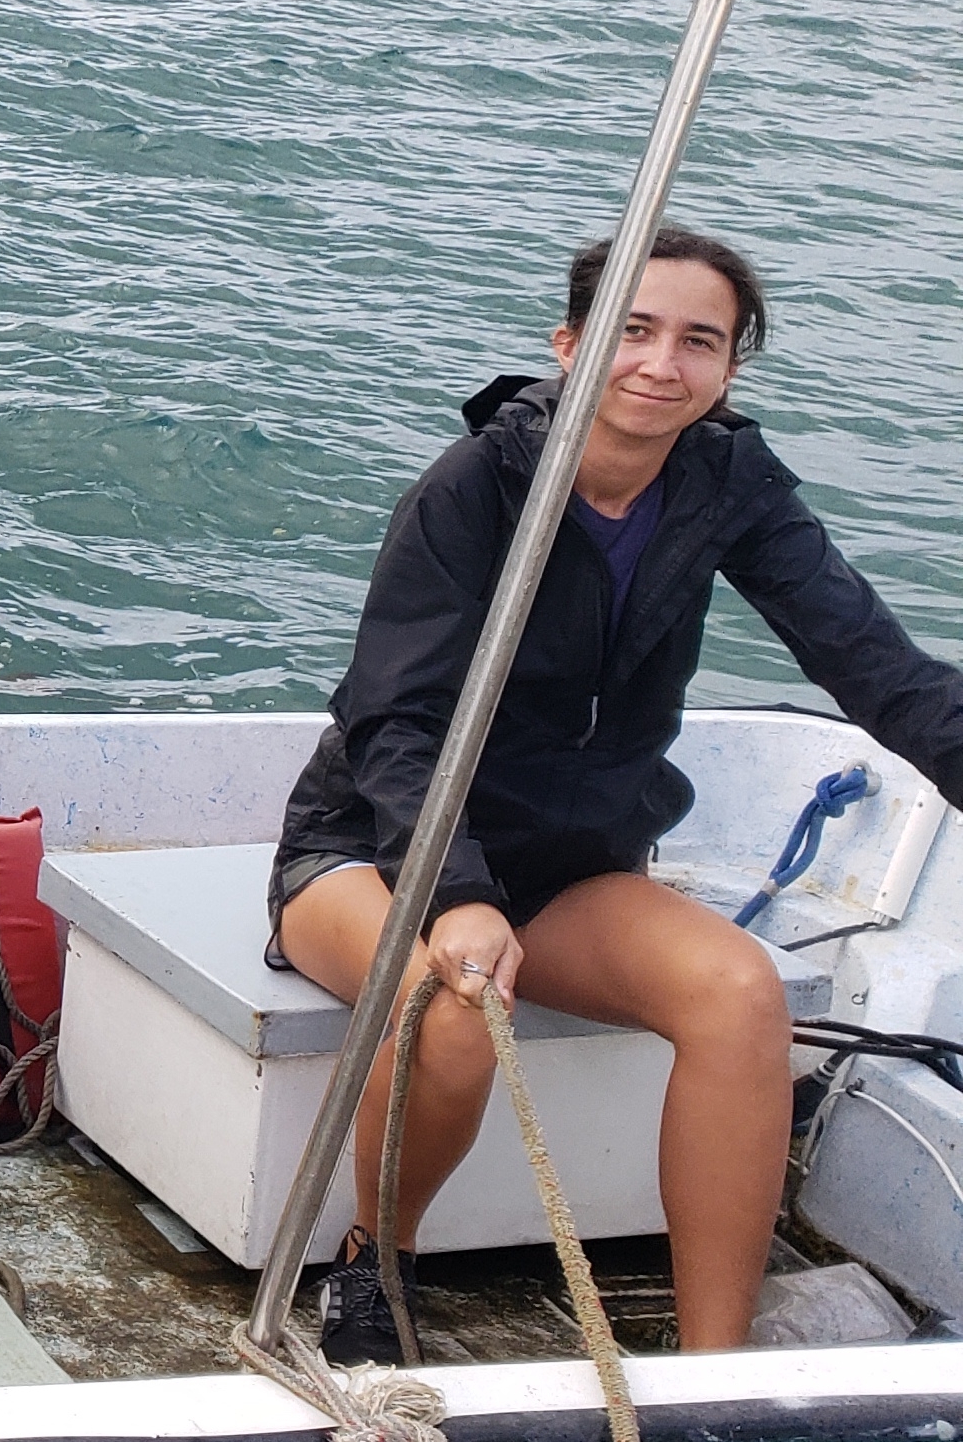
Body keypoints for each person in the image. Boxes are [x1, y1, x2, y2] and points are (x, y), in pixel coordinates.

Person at [272, 227, 963, 1362]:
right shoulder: (476, 487)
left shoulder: (726, 480)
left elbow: (869, 663)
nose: (658, 363)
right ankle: (371, 1269)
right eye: (631, 330)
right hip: (375, 851)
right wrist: (451, 892)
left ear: (728, 371)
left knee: (740, 994)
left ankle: (710, 1368)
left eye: (697, 340)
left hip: (573, 861)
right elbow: (391, 721)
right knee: (452, 1002)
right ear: (568, 344)